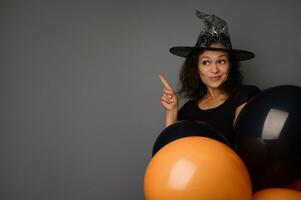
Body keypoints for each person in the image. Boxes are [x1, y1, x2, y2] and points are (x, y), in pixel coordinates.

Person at [159, 10, 261, 146]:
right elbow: (171, 152)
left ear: (231, 65)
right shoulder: (188, 110)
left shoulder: (246, 96)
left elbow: (245, 148)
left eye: (221, 61)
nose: (214, 70)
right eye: (206, 62)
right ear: (196, 67)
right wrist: (171, 112)